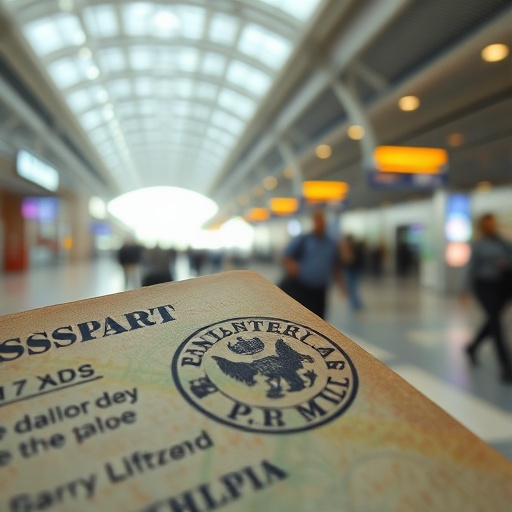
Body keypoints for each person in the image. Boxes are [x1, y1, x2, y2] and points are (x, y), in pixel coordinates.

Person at [461, 213, 512, 383]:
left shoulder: (502, 242)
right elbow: (471, 267)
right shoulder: (478, 244)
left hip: (502, 286)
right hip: (484, 285)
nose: (491, 226)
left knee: (493, 320)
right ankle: (506, 365)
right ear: (483, 225)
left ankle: (473, 347)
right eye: (488, 223)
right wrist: (464, 289)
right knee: (496, 322)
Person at [281, 208, 345, 319]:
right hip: (302, 288)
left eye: (322, 221)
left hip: (321, 290)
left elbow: (336, 266)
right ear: (314, 222)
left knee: (320, 320)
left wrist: (342, 286)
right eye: (318, 221)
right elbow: (286, 257)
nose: (320, 224)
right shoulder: (304, 240)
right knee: (304, 318)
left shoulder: (331, 244)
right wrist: (292, 267)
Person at [340, 234, 364, 311]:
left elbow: (349, 259)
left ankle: (355, 304)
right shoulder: (355, 246)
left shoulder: (350, 247)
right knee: (353, 287)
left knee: (352, 288)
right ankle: (355, 304)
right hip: (353, 269)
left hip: (350, 269)